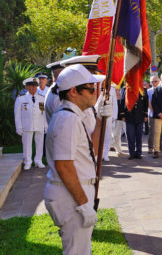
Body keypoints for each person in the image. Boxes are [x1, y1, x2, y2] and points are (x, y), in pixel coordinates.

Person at [43, 64, 111, 255]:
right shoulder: (68, 120)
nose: (94, 93)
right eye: (90, 89)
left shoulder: (74, 116)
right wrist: (83, 204)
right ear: (73, 91)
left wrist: (100, 119)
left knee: (81, 249)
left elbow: (91, 151)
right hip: (71, 197)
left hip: (75, 193)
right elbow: (64, 165)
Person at [14, 77, 47, 170]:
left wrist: (46, 125)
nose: (33, 88)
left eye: (35, 86)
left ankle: (38, 161)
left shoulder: (41, 99)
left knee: (40, 143)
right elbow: (17, 115)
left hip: (39, 124)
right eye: (31, 86)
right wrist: (19, 127)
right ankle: (27, 162)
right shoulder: (21, 99)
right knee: (27, 144)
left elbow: (43, 113)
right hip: (26, 125)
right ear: (27, 87)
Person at [120, 87, 148, 160]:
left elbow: (145, 103)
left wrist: (145, 114)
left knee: (139, 136)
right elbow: (122, 101)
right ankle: (131, 153)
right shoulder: (125, 89)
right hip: (129, 116)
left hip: (140, 116)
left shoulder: (143, 89)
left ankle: (138, 153)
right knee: (130, 136)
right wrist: (122, 114)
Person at [101, 84, 118, 161]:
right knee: (97, 135)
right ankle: (98, 154)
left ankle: (105, 154)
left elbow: (114, 103)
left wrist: (114, 115)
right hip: (97, 113)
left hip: (108, 113)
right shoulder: (95, 85)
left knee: (107, 135)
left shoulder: (112, 89)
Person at [147, 76, 162, 153]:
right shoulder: (148, 91)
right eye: (152, 81)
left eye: (155, 81)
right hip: (152, 113)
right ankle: (150, 147)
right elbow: (148, 103)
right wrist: (155, 111)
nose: (154, 83)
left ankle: (160, 146)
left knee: (160, 131)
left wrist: (159, 112)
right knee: (152, 131)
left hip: (160, 114)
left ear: (159, 82)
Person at [111, 86, 125, 156]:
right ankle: (118, 150)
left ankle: (131, 150)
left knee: (126, 135)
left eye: (119, 89)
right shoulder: (112, 98)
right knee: (116, 135)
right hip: (115, 119)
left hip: (124, 118)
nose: (117, 91)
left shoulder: (123, 95)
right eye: (116, 89)